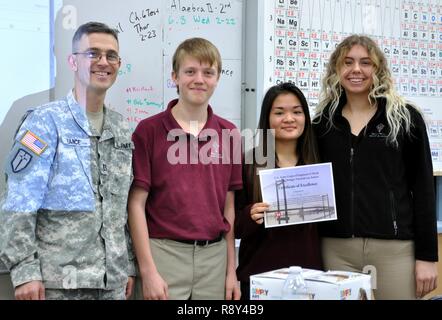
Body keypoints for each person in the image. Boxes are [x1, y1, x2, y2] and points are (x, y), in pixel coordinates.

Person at [0, 22, 135, 300]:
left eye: (111, 56)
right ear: (72, 61)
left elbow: (120, 208)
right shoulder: (43, 122)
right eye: (92, 53)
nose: (103, 62)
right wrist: (25, 271)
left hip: (112, 284)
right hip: (57, 285)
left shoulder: (121, 129)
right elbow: (17, 201)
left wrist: (127, 265)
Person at [313, 34, 438, 300]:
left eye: (365, 63)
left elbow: (424, 189)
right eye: (347, 62)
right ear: (336, 69)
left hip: (395, 250)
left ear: (378, 69)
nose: (356, 70)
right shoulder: (322, 124)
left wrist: (427, 256)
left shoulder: (405, 119)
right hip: (336, 247)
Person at [128, 37, 242, 300]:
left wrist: (230, 272)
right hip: (163, 256)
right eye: (190, 71)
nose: (199, 79)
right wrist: (148, 271)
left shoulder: (230, 134)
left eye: (208, 72)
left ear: (217, 78)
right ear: (174, 77)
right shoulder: (149, 131)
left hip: (214, 260)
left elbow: (228, 209)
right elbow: (135, 204)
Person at [235, 82, 323, 300]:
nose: (289, 119)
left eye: (297, 112)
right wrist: (250, 215)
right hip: (260, 279)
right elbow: (233, 226)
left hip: (309, 279)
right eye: (279, 112)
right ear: (267, 118)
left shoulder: (318, 164)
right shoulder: (248, 163)